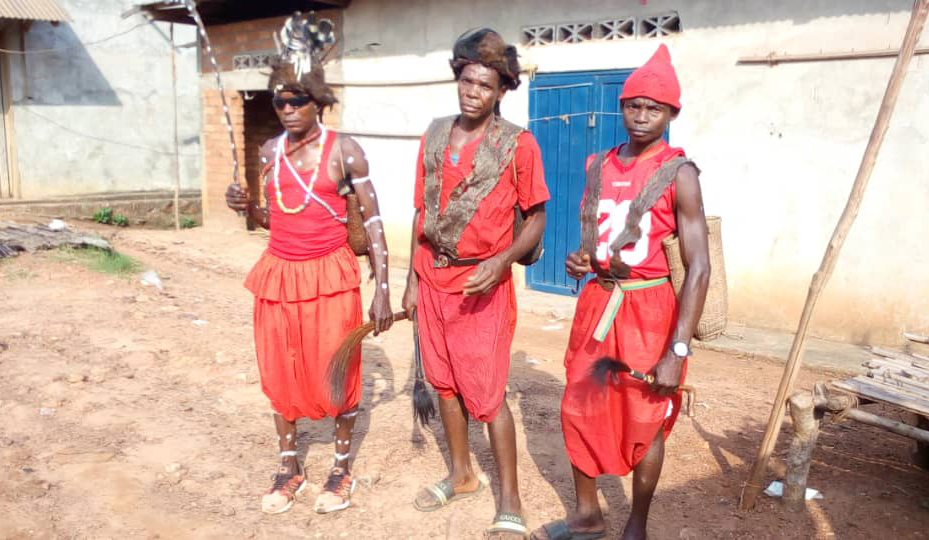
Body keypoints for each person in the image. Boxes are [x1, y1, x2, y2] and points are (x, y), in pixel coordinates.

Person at [531, 44, 710, 540]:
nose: (642, 116)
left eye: (654, 108)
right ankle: (587, 515)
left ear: (672, 113)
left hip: (650, 310)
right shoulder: (598, 164)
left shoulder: (681, 173)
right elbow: (598, 239)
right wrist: (579, 260)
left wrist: (678, 347)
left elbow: (699, 268)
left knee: (645, 412)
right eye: (634, 104)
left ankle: (637, 523)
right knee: (579, 405)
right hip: (598, 302)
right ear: (622, 106)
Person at [224, 14, 393, 516]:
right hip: (278, 274)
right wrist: (244, 207)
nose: (287, 107)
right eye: (279, 99)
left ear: (318, 101)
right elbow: (270, 220)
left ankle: (341, 470)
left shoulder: (345, 150)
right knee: (281, 371)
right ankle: (289, 466)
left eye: (297, 98)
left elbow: (376, 221)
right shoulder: (270, 151)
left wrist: (383, 289)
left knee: (335, 374)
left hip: (330, 275)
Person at [401, 28, 549, 539]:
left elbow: (536, 218)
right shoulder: (435, 133)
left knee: (486, 394)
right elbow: (422, 211)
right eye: (466, 81)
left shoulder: (518, 144)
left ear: (500, 91)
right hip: (432, 277)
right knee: (444, 385)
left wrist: (504, 259)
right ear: (457, 78)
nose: (472, 92)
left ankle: (510, 499)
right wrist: (410, 280)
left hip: (482, 286)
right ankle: (462, 475)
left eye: (484, 86)